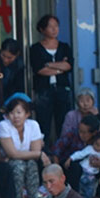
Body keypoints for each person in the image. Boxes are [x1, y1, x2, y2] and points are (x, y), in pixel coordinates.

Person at [0, 94, 49, 198]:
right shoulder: (3, 125)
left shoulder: (33, 125)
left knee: (31, 164)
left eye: (19, 112)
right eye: (12, 113)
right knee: (19, 165)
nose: (15, 116)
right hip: (7, 161)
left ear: (27, 114)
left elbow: (35, 152)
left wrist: (36, 154)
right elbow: (12, 153)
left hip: (27, 161)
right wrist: (38, 153)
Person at [30, 14, 74, 143]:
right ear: (42, 30)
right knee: (44, 124)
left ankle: (62, 154)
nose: (54, 29)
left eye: (56, 26)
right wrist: (60, 67)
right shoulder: (36, 48)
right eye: (50, 26)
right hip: (44, 90)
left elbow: (68, 65)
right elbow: (40, 70)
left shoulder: (64, 47)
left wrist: (49, 64)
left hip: (62, 89)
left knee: (64, 123)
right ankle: (45, 154)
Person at [67, 130, 100, 198]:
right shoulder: (90, 149)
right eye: (95, 143)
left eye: (98, 145)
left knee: (89, 192)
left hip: (92, 176)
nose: (95, 146)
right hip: (84, 172)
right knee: (80, 189)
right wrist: (70, 158)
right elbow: (80, 154)